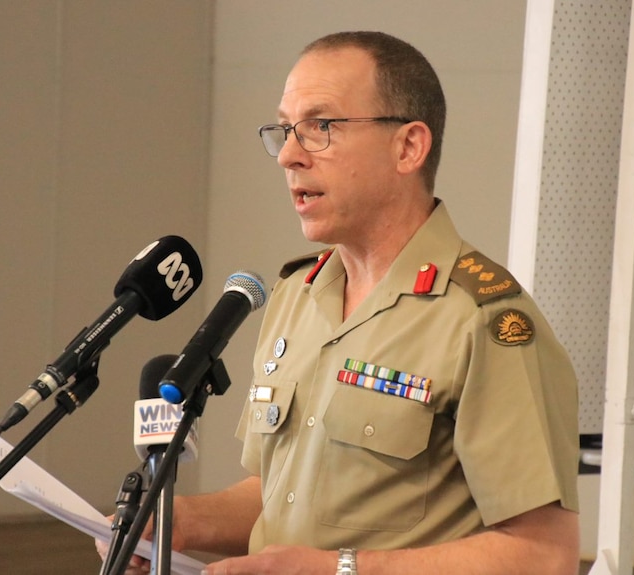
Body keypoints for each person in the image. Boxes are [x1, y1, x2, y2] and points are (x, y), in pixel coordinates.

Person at [98, 30, 581, 575]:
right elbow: (280, 494)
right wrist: (183, 520)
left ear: (408, 147)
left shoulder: (484, 319)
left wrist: (339, 570)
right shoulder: (296, 296)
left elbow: (544, 555)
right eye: (285, 129)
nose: (288, 155)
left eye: (320, 127)